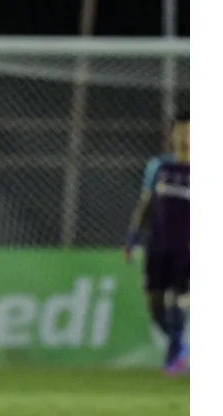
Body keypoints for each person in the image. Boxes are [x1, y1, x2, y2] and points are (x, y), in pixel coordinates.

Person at [125, 111, 190, 376]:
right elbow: (146, 203)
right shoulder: (159, 166)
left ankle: (175, 352)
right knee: (154, 302)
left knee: (180, 298)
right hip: (158, 244)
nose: (185, 136)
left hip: (188, 248)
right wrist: (132, 236)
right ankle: (180, 346)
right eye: (181, 130)